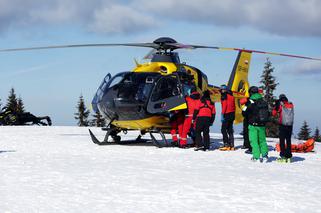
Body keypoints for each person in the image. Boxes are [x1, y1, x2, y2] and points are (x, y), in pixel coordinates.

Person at [244, 86, 269, 162]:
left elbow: (244, 113)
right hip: (262, 125)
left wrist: (244, 106)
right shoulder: (263, 101)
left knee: (254, 141)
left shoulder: (250, 101)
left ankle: (256, 157)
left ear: (250, 92)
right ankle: (265, 156)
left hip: (253, 125)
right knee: (262, 141)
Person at [272, 94, 294, 163]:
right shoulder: (291, 104)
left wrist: (276, 106)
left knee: (282, 141)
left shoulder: (280, 105)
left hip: (283, 125)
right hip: (290, 125)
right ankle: (289, 156)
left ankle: (283, 156)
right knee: (288, 140)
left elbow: (274, 113)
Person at [219, 85, 236, 151]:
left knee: (223, 129)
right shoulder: (232, 96)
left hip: (226, 114)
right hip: (232, 114)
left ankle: (226, 144)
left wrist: (222, 114)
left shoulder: (224, 96)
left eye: (221, 90)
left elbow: (224, 105)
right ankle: (232, 145)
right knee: (230, 129)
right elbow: (234, 106)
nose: (221, 91)